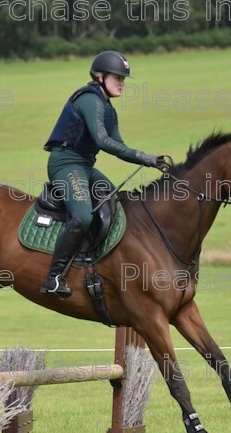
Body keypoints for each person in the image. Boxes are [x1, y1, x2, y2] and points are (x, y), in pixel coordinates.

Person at [40, 50, 170, 298]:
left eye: (123, 79)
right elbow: (102, 140)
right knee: (82, 217)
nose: (121, 83)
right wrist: (143, 156)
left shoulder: (108, 110)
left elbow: (119, 146)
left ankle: (90, 258)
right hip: (65, 164)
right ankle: (53, 277)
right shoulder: (90, 100)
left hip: (85, 167)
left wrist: (150, 160)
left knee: (114, 202)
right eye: (117, 77)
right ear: (100, 77)